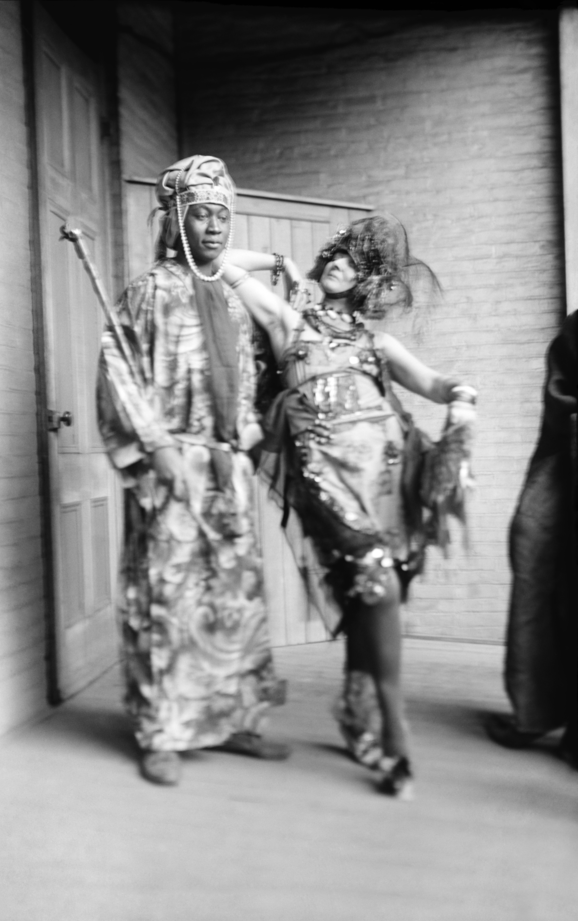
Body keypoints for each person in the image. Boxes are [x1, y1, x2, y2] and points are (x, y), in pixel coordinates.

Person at [222, 215, 478, 799]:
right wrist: (280, 263)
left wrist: (464, 397)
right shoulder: (288, 322)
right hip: (324, 480)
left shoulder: (377, 345)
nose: (339, 263)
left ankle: (357, 704)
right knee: (377, 587)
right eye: (336, 254)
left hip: (386, 481)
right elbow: (217, 264)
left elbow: (437, 385)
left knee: (377, 596)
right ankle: (394, 730)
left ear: (369, 282)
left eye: (355, 263)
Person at [96, 155, 289, 786]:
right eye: (202, 215)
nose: (214, 227)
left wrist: (251, 439)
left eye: (222, 217)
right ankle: (161, 731)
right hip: (170, 464)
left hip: (225, 467)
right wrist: (157, 448)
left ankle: (233, 721)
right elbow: (117, 373)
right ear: (177, 219)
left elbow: (250, 382)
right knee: (166, 599)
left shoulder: (231, 301)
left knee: (232, 598)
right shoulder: (149, 291)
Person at [486, 311, 577, 768]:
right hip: (566, 462)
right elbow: (560, 399)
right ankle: (536, 709)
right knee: (532, 549)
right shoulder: (577, 328)